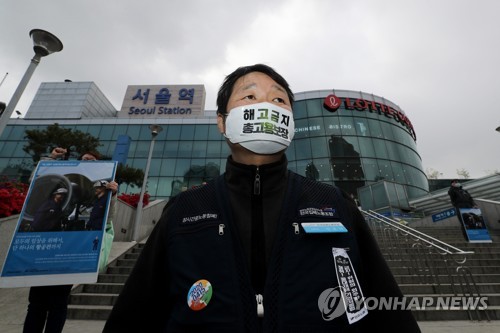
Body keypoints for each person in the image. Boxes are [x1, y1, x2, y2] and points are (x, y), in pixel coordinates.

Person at [103, 64, 420, 332]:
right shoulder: (186, 209)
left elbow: (388, 310)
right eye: (250, 96)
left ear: (291, 123)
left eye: (279, 99)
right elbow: (135, 313)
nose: (266, 106)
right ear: (222, 121)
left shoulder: (335, 204)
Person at [23, 149, 118, 333]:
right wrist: (51, 159)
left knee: (58, 303)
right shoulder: (59, 187)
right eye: (84, 160)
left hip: (69, 252)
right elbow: (34, 187)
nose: (87, 162)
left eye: (92, 161)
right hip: (44, 251)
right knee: (36, 303)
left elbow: (107, 219)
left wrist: (112, 197)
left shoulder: (102, 192)